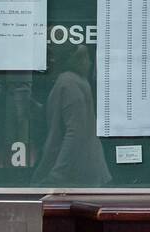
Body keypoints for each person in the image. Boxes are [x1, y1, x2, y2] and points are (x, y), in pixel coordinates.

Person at [33, 42, 111, 188]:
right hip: (83, 169)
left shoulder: (68, 82)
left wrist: (57, 173)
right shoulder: (77, 81)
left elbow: (75, 132)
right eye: (84, 57)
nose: (90, 62)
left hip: (75, 173)